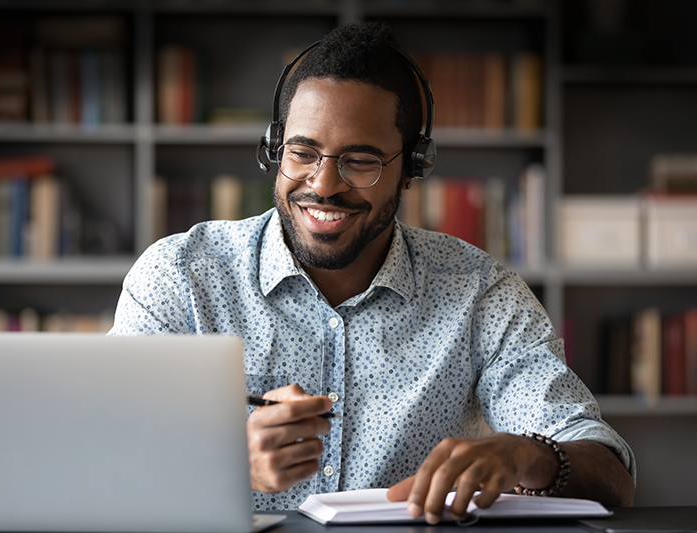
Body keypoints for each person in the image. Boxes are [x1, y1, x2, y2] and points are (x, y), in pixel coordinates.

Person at [109, 22, 635, 522]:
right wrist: (222, 461)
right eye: (302, 152)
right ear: (275, 149)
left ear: (411, 168)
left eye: (360, 161)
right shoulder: (179, 276)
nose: (324, 184)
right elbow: (101, 456)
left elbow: (611, 473)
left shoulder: (480, 292)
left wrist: (529, 455)